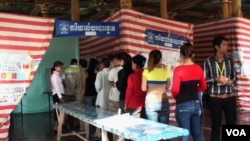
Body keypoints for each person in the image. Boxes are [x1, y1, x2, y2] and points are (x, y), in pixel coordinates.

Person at [203, 36, 237, 141]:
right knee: (216, 126)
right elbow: (204, 80)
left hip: (229, 97)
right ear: (217, 47)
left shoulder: (230, 60)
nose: (227, 47)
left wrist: (231, 81)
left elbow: (235, 76)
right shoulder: (208, 61)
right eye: (224, 45)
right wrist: (216, 79)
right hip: (215, 98)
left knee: (232, 126)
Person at [172, 43, 207, 141]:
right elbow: (204, 86)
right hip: (196, 104)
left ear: (181, 55)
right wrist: (195, 90)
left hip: (183, 105)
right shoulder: (198, 68)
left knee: (185, 134)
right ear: (193, 55)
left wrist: (178, 97)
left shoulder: (178, 70)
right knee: (197, 133)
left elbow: (175, 90)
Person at [141, 50, 171, 128]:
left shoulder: (146, 71)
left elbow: (143, 88)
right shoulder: (166, 70)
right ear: (161, 59)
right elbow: (168, 86)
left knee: (152, 130)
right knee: (165, 130)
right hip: (163, 101)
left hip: (150, 102)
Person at [83, 58, 99, 138]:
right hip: (95, 94)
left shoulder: (87, 72)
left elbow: (84, 83)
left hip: (88, 94)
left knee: (88, 113)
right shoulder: (97, 72)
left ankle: (88, 133)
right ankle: (93, 131)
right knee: (95, 113)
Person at [50, 61, 64, 132]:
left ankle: (58, 125)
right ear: (55, 67)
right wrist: (60, 96)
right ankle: (56, 126)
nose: (61, 68)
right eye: (59, 66)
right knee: (57, 111)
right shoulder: (54, 76)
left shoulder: (58, 75)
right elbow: (56, 87)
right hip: (57, 95)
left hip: (59, 94)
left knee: (59, 111)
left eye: (61, 66)